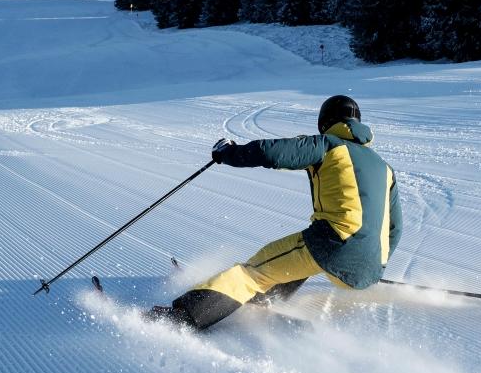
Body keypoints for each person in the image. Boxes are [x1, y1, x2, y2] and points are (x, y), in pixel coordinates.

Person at [151, 95, 400, 330]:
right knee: (301, 255)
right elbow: (395, 228)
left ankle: (183, 318)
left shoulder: (328, 145)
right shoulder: (385, 167)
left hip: (333, 246)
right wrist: (368, 259)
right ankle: (270, 296)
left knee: (253, 272)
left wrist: (229, 153)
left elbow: (274, 152)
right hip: (372, 267)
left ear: (325, 122)